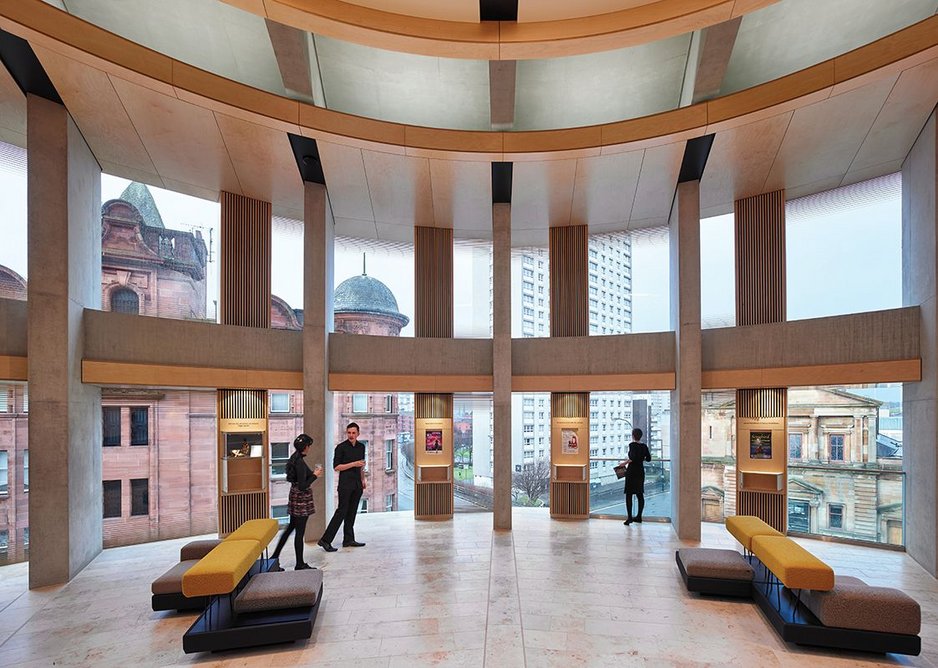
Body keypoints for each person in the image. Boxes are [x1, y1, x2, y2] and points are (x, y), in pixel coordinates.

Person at [271, 433, 323, 570]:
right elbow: (303, 485)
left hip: (295, 497)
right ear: (305, 447)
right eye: (309, 446)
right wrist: (315, 475)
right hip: (301, 499)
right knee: (299, 532)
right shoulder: (299, 461)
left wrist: (311, 474)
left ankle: (274, 557)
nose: (309, 448)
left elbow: (300, 478)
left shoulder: (295, 458)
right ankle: (299, 564)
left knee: (290, 529)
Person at [318, 422, 367, 551]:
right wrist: (353, 464)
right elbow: (336, 467)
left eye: (353, 433)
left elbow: (361, 465)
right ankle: (325, 540)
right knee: (341, 512)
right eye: (349, 433)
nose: (351, 435)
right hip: (345, 485)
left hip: (357, 484)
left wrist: (363, 479)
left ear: (358, 433)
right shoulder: (341, 447)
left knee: (352, 512)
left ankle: (349, 539)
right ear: (347, 433)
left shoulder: (361, 447)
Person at [621, 427, 652, 525]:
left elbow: (632, 458)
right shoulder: (644, 446)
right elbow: (649, 459)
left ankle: (629, 517)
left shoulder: (632, 445)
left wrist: (624, 463)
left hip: (632, 471)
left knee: (629, 495)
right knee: (640, 494)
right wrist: (641, 459)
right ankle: (639, 516)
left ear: (633, 436)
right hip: (640, 471)